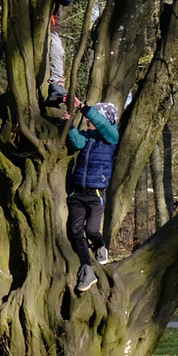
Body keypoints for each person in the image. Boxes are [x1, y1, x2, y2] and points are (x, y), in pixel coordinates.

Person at [65, 95, 119, 293]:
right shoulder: (88, 137)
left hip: (96, 194)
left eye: (93, 118)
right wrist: (69, 125)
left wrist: (84, 108)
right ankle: (87, 268)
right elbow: (77, 142)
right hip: (78, 192)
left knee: (92, 231)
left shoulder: (111, 138)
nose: (88, 120)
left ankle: (100, 246)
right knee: (75, 231)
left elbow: (103, 125)